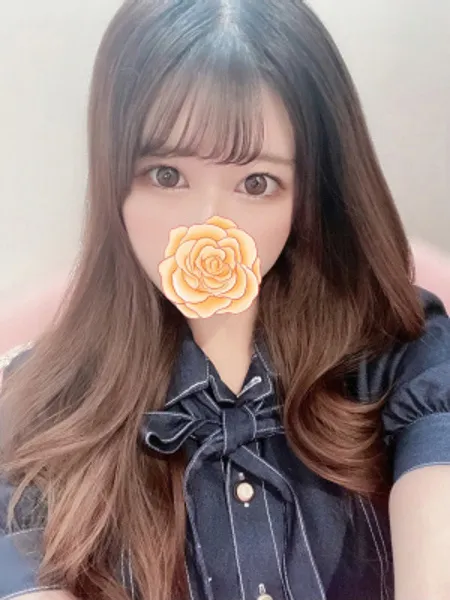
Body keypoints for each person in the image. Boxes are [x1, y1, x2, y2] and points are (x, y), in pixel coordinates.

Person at [1, 1, 450, 599]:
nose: (206, 224)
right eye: (166, 174)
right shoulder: (36, 412)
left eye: (256, 183)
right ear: (114, 176)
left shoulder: (405, 357)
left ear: (309, 196)